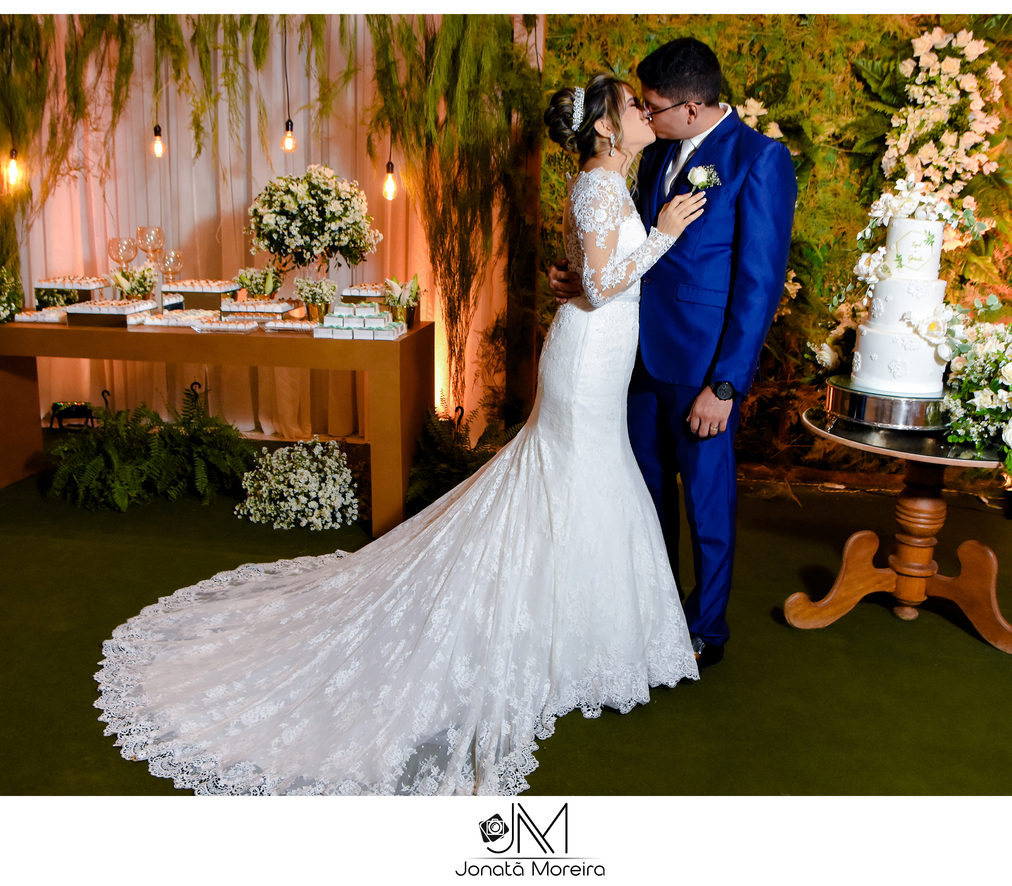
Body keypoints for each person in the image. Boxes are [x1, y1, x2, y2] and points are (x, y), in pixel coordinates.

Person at [94, 73, 707, 796]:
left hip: (598, 352)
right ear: (604, 127)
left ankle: (580, 639)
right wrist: (664, 236)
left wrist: (591, 268)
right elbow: (603, 286)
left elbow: (590, 277)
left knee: (583, 479)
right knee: (574, 474)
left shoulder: (605, 183)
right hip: (588, 356)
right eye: (631, 105)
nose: (643, 112)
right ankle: (566, 642)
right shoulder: (601, 185)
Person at [550, 38, 798, 671]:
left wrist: (726, 384)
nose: (643, 114)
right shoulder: (654, 151)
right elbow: (624, 247)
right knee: (644, 493)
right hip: (630, 357)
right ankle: (652, 615)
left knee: (706, 503)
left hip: (701, 368)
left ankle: (706, 628)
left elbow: (759, 285)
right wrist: (582, 278)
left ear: (691, 108)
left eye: (652, 106)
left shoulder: (758, 159)